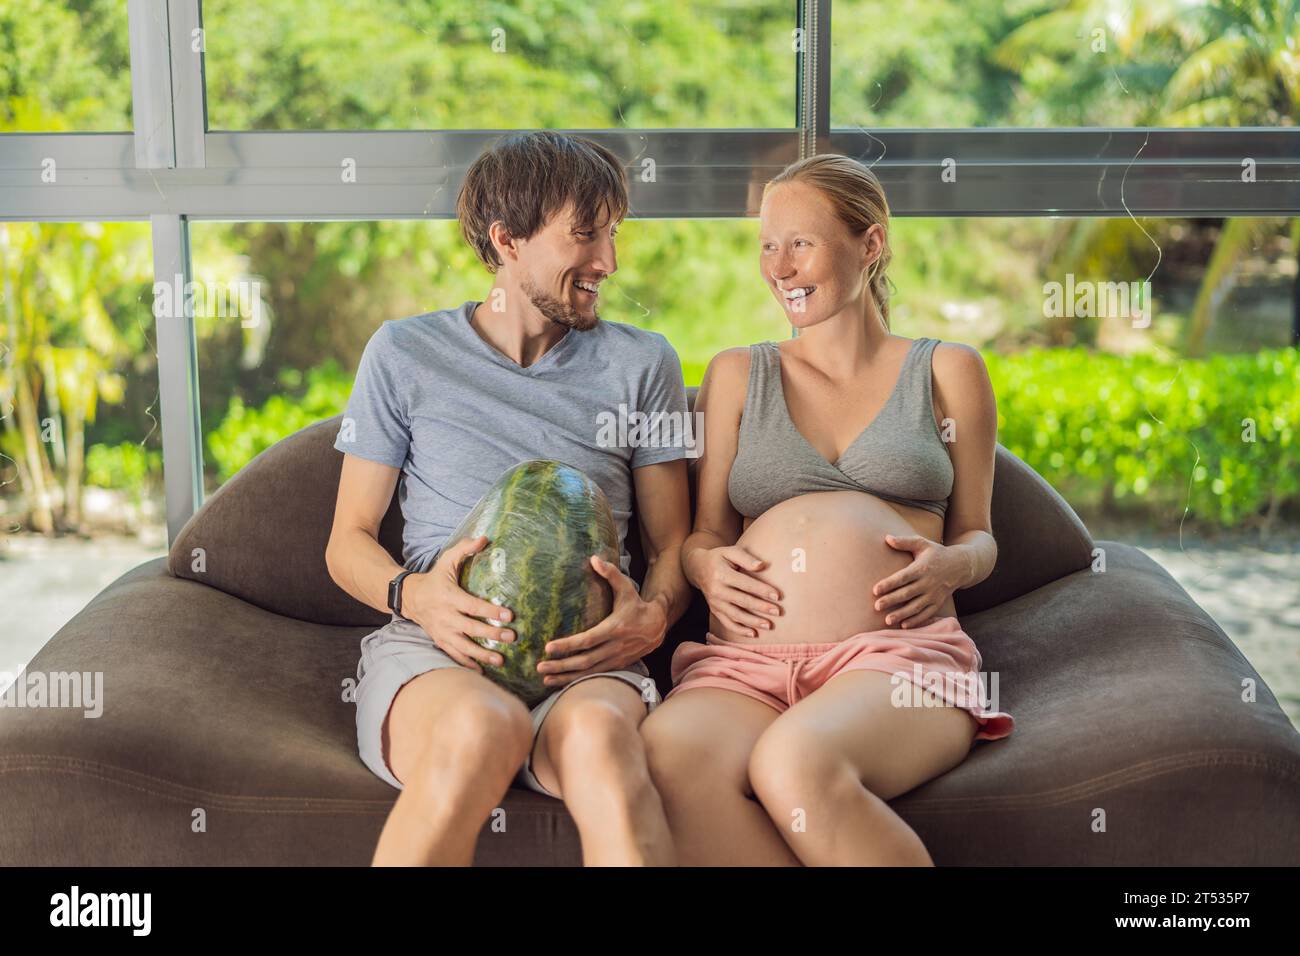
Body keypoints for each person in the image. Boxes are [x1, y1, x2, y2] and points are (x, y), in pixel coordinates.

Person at [326, 131, 693, 866]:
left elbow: (676, 544)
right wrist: (417, 596)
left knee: (599, 747)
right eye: (586, 236)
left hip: (586, 660)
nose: (609, 263)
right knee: (481, 730)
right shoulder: (404, 353)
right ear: (508, 239)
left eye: (614, 235)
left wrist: (651, 618)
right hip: (441, 651)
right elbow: (348, 541)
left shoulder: (644, 362)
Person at [640, 154, 1014, 866]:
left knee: (793, 761)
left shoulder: (947, 370)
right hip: (743, 667)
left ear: (870, 245)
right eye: (767, 246)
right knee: (659, 762)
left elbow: (980, 534)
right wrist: (707, 567)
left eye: (800, 243)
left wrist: (952, 566)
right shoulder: (738, 374)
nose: (778, 267)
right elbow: (704, 534)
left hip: (896, 658)